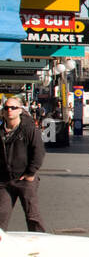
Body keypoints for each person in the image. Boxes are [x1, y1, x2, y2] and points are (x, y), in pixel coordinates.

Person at [1, 97, 47, 232]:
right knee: (1, 215)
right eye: (6, 108)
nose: (9, 110)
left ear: (20, 110)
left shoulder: (29, 129)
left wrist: (30, 173)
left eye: (13, 107)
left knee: (32, 215)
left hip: (25, 179)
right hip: (4, 180)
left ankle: (39, 244)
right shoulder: (1, 131)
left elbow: (39, 151)